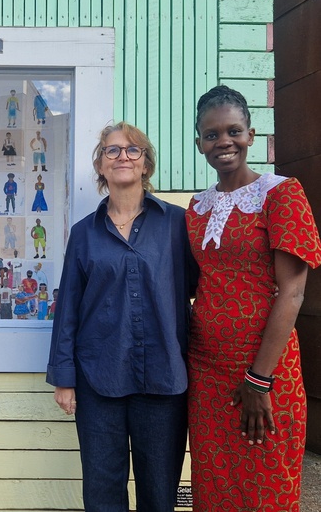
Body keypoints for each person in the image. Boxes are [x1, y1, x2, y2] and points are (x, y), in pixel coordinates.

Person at [46, 121, 198, 511]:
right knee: (102, 491)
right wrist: (65, 378)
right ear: (100, 165)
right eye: (112, 151)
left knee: (160, 493)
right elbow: (69, 311)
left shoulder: (179, 224)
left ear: (146, 164)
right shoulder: (84, 233)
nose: (123, 157)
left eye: (133, 150)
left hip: (164, 380)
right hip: (99, 380)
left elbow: (206, 290)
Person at [186, 86, 321, 511]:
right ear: (198, 143)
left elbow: (293, 292)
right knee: (214, 488)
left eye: (233, 131)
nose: (223, 142)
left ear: (251, 134)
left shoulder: (281, 194)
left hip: (265, 370)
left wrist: (258, 378)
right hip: (205, 371)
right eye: (211, 135)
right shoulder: (196, 206)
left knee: (268, 488)